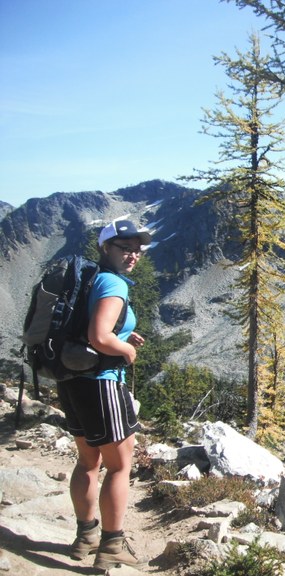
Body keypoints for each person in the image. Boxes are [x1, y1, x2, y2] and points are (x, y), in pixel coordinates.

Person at [57, 219, 150, 571]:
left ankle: (85, 536)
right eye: (124, 247)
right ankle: (112, 544)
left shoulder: (91, 277)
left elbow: (89, 327)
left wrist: (124, 336)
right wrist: (126, 352)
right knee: (119, 466)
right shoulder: (113, 282)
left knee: (87, 461)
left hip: (73, 381)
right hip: (102, 382)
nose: (132, 255)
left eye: (136, 249)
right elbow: (99, 336)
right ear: (105, 247)